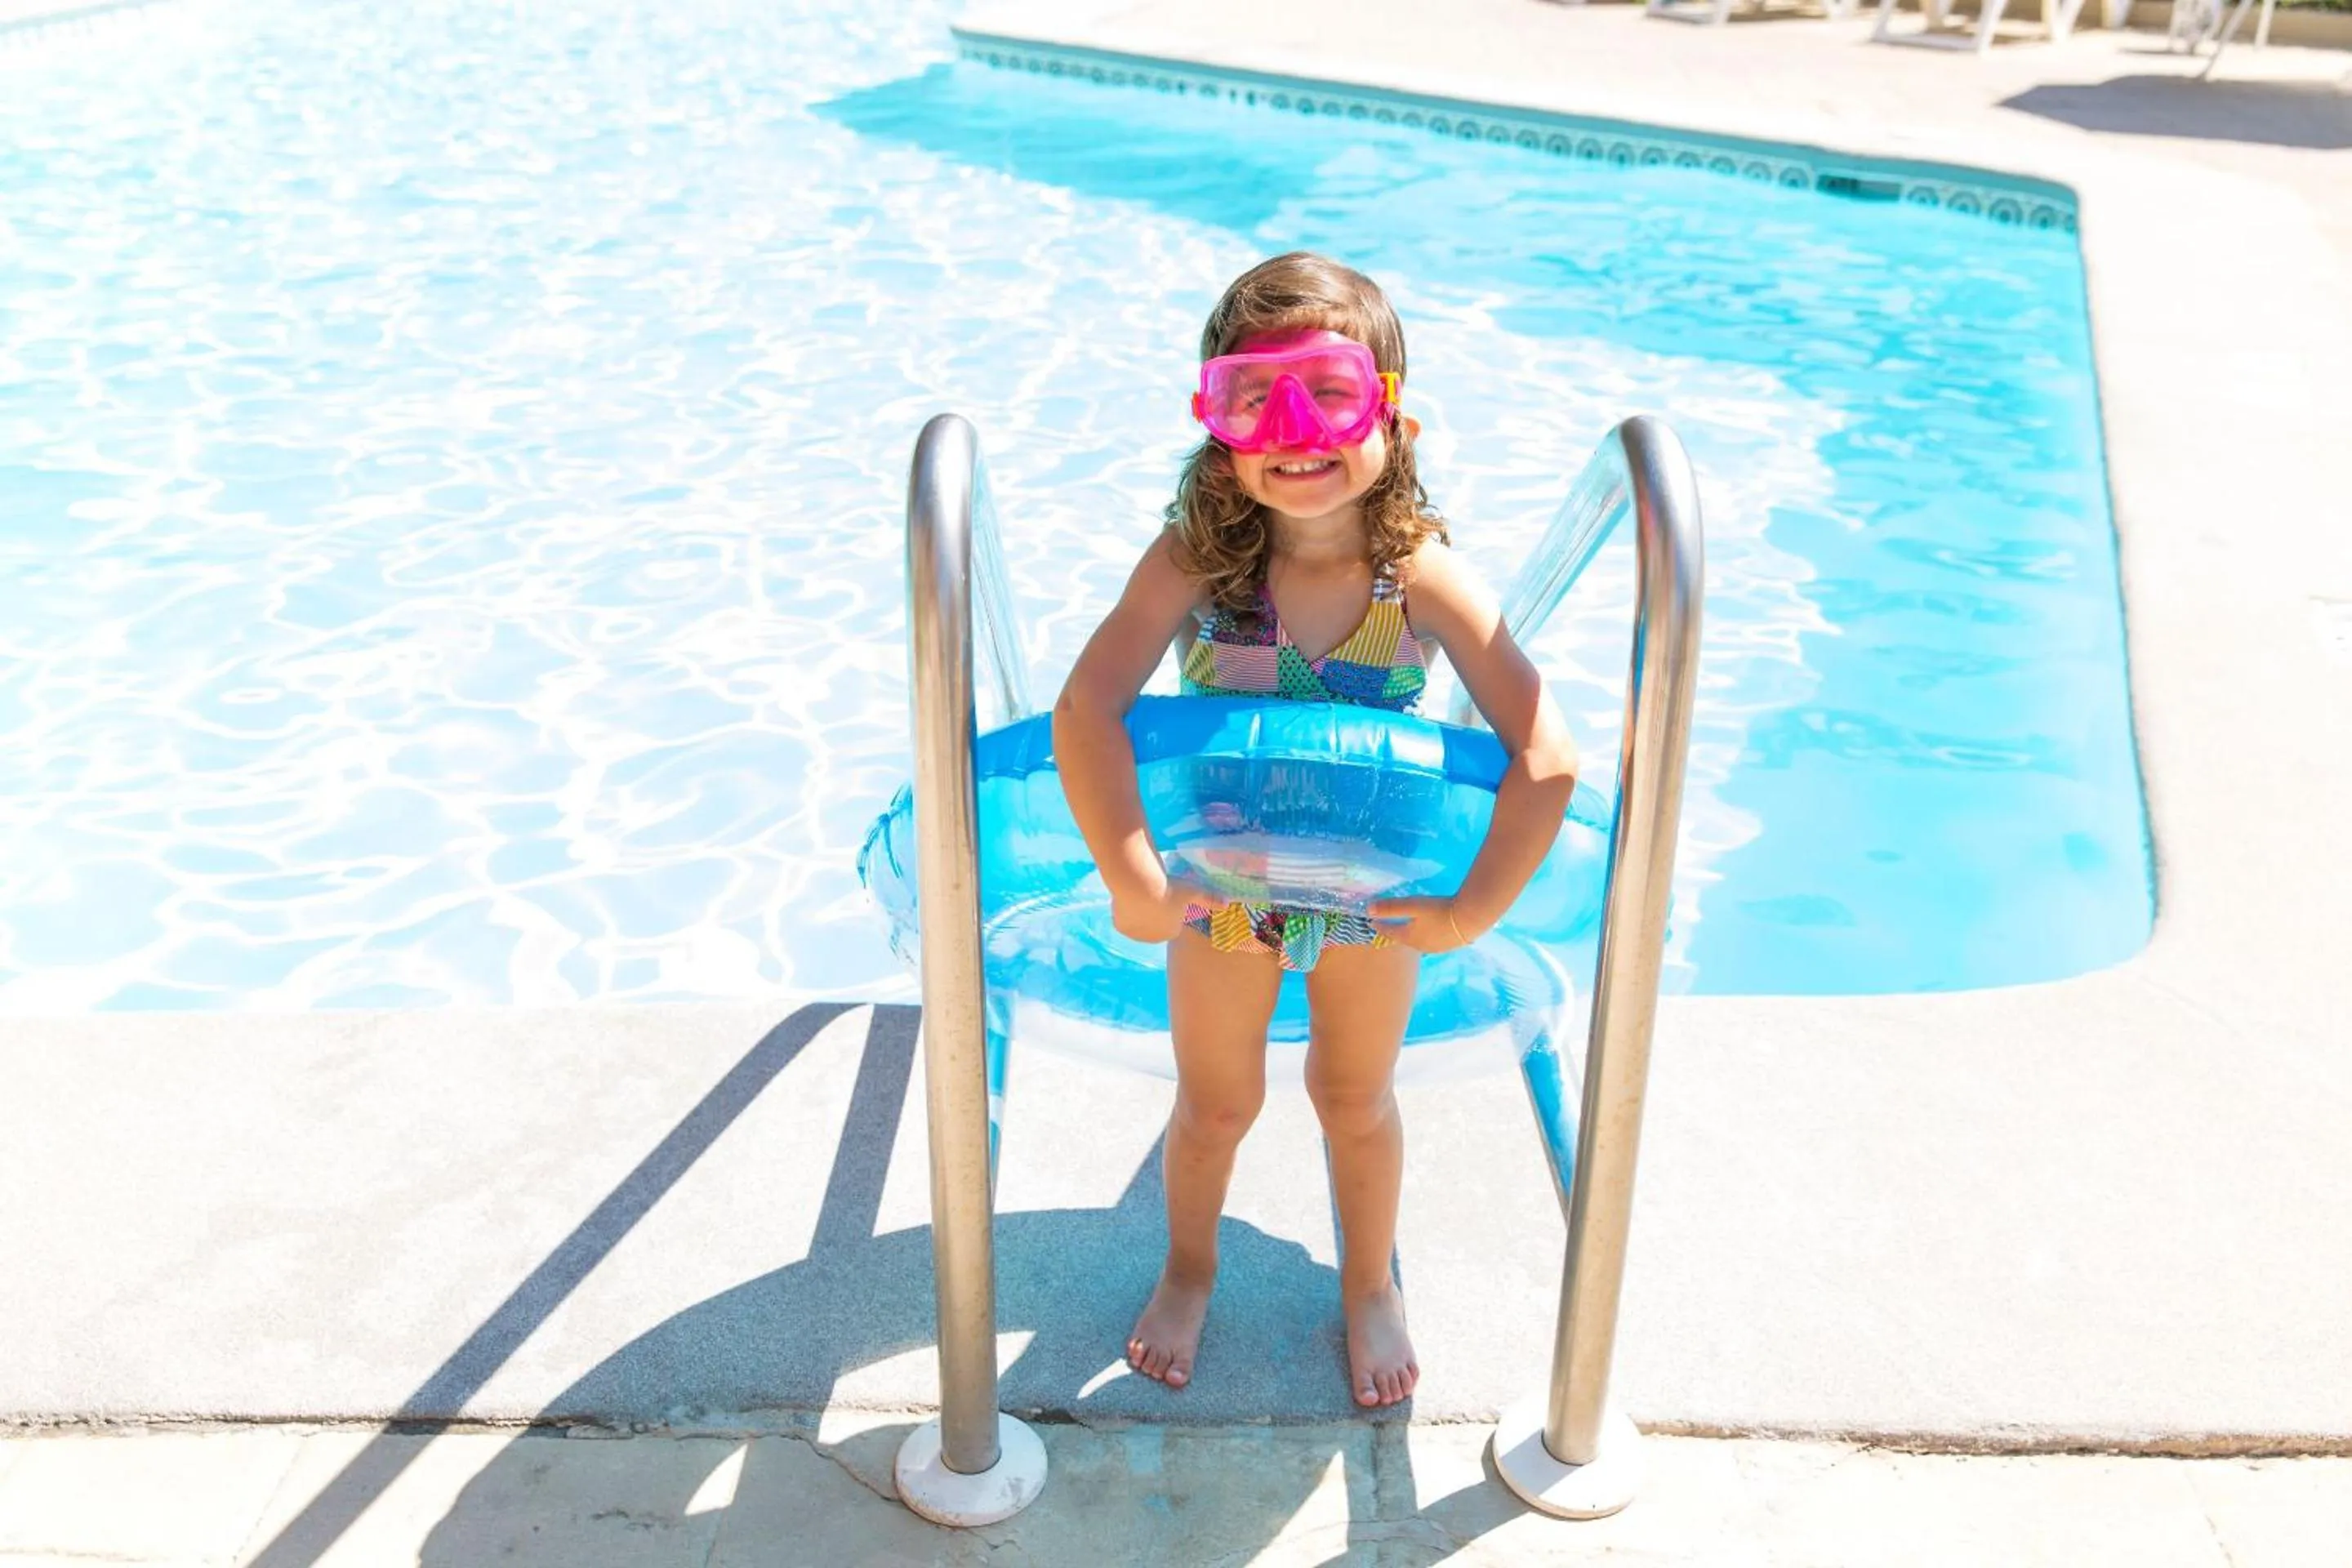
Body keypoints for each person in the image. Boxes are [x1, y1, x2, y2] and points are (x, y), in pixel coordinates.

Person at [1052, 252, 1579, 1409]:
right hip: (1223, 885)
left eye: (1329, 395)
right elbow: (1087, 705)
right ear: (1217, 423)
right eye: (1256, 398)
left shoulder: (1419, 576)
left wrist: (1464, 913)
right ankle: (1189, 1270)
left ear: (1392, 407)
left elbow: (1546, 756)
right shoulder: (1201, 561)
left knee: (1354, 1099)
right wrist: (1135, 877)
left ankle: (1369, 1286)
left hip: (1372, 896)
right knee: (1217, 1103)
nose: (1294, 429)